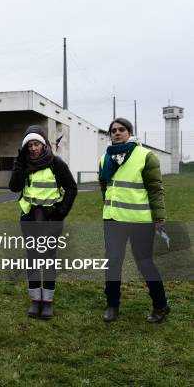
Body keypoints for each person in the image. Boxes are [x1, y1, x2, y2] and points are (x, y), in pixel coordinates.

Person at [99, 117, 169, 323]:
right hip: (113, 221)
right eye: (113, 130)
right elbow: (105, 188)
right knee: (112, 263)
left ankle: (161, 305)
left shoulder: (146, 156)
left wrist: (159, 216)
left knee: (145, 263)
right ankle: (112, 305)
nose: (117, 133)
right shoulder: (105, 159)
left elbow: (155, 189)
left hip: (140, 221)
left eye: (122, 129)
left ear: (130, 133)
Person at [9, 125, 77, 319]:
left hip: (51, 219)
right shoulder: (24, 164)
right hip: (29, 217)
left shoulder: (56, 164)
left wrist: (61, 212)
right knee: (32, 258)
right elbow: (14, 187)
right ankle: (34, 300)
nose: (32, 148)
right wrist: (18, 165)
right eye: (29, 145)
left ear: (44, 144)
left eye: (36, 143)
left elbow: (72, 188)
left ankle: (47, 301)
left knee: (48, 259)